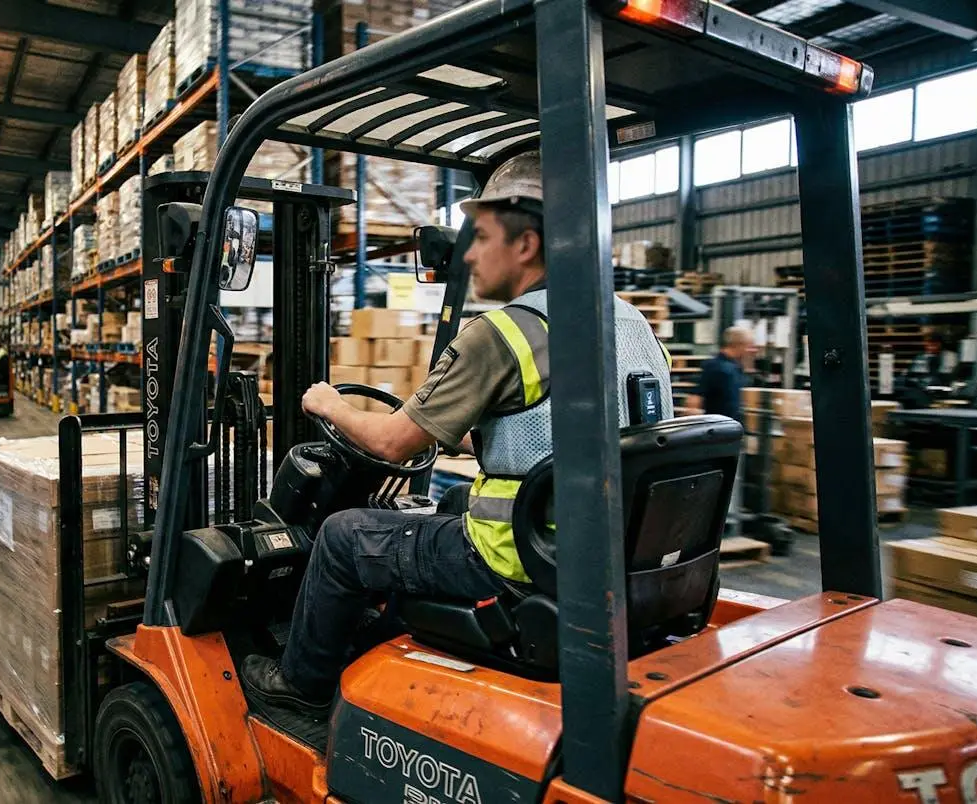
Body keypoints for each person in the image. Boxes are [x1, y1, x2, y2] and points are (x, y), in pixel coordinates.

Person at [240, 151, 675, 718]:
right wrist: (462, 438)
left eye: (482, 236)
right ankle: (389, 642)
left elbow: (393, 443)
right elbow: (568, 431)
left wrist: (329, 404)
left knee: (345, 536)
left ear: (526, 245)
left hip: (521, 560)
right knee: (448, 498)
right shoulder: (628, 321)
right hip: (596, 548)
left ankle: (301, 681)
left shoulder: (502, 333)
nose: (467, 254)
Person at [687, 326, 756, 421]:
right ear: (738, 344)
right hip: (717, 429)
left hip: (734, 428)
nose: (751, 351)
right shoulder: (715, 367)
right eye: (749, 346)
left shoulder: (737, 368)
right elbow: (695, 399)